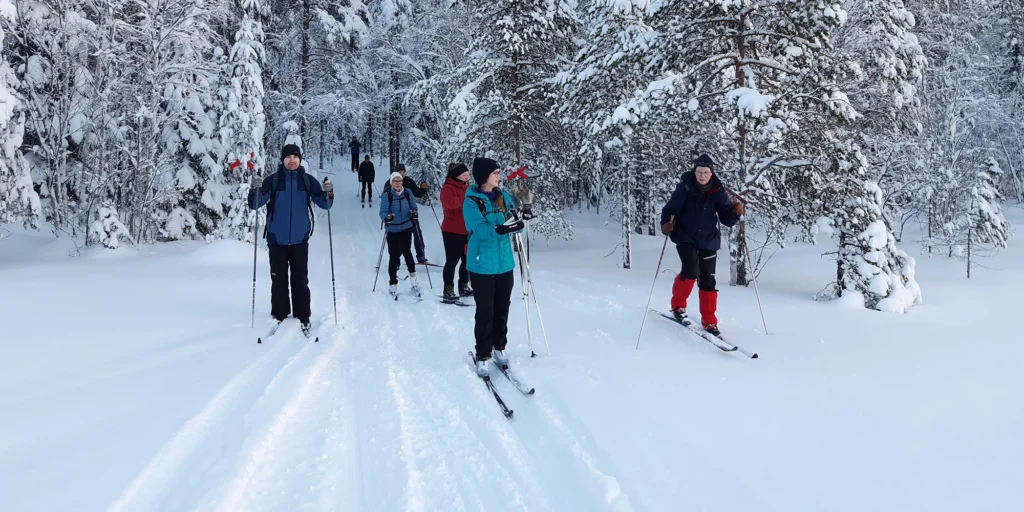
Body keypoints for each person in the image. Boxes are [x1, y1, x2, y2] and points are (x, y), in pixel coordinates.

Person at [248, 144, 335, 332]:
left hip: (299, 239)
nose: (292, 160)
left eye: (295, 157)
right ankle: (279, 314)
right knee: (278, 279)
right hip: (276, 238)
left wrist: (328, 192)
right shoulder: (272, 181)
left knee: (300, 279)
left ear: (300, 159)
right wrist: (254, 189)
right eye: (288, 157)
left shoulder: (307, 180)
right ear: (283, 160)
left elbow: (323, 203)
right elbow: (256, 204)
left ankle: (302, 315)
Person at [659, 154, 744, 336]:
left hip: (708, 239)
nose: (702, 175)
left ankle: (710, 321)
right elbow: (670, 209)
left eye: (706, 172)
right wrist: (667, 222)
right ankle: (678, 307)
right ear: (694, 172)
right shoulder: (685, 188)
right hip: (685, 236)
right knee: (690, 271)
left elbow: (726, 219)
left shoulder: (718, 191)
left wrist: (735, 212)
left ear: (711, 173)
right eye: (699, 172)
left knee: (708, 280)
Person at [464, 157, 524, 376]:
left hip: (504, 263)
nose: (499, 176)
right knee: (485, 311)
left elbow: (514, 224)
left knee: (502, 308)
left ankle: (499, 346)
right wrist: (500, 229)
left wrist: (519, 223)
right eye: (495, 173)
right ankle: (483, 353)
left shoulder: (503, 197)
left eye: (499, 172)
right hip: (482, 265)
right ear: (484, 176)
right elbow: (479, 230)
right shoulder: (472, 201)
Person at [379, 171, 421, 297]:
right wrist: (387, 218)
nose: (397, 183)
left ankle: (414, 283)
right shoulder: (387, 195)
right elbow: (382, 212)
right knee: (393, 256)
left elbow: (414, 207)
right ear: (391, 182)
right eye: (395, 181)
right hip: (392, 229)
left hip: (406, 227)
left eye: (399, 181)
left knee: (407, 253)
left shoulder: (408, 193)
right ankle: (393, 285)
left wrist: (414, 213)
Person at [440, 162, 472, 301]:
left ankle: (464, 285)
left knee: (467, 260)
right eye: (464, 175)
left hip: (467, 230)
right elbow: (450, 203)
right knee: (452, 260)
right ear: (457, 176)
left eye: (467, 174)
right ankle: (448, 288)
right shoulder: (447, 188)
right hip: (451, 230)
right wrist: (466, 199)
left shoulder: (468, 188)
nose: (466, 177)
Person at [395, 163, 430, 263]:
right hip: (397, 214)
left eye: (403, 172)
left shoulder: (408, 181)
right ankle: (396, 256)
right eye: (400, 172)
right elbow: (386, 196)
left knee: (417, 233)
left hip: (411, 213)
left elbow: (417, 193)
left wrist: (423, 189)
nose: (402, 174)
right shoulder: (391, 182)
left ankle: (421, 255)